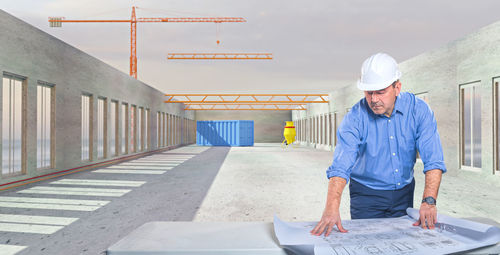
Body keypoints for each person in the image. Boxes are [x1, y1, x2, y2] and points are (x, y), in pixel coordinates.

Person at [310, 53, 446, 236]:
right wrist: (331, 207)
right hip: (366, 196)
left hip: (404, 193)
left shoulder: (419, 110)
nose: (374, 99)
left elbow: (434, 159)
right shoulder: (355, 118)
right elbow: (341, 166)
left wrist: (429, 201)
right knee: (368, 244)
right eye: (369, 92)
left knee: (402, 243)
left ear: (397, 88)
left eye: (380, 92)